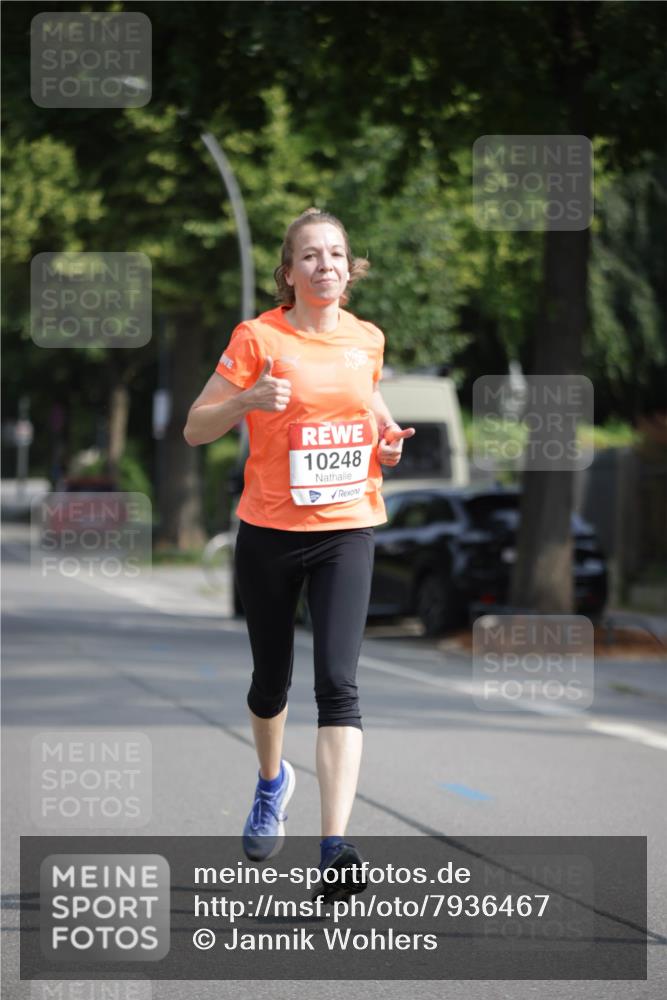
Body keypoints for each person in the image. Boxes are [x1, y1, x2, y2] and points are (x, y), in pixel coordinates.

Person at [184, 208, 414, 901]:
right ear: (288, 272)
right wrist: (248, 397)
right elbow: (196, 427)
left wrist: (384, 437)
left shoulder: (366, 338)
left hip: (346, 526)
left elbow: (364, 393)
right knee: (270, 683)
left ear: (350, 268)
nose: (325, 266)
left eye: (336, 254)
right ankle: (269, 781)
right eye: (309, 256)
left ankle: (334, 848)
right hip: (269, 531)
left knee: (338, 686)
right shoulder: (257, 337)